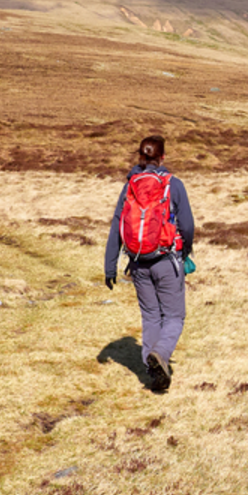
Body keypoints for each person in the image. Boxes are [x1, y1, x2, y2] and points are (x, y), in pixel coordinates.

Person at [104, 135, 195, 394]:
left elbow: (116, 227)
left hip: (137, 262)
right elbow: (187, 225)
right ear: (163, 157)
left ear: (140, 157)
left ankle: (151, 372)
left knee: (151, 316)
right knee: (175, 316)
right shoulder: (173, 185)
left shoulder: (130, 186)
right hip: (167, 259)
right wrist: (184, 250)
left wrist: (110, 265)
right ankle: (161, 354)